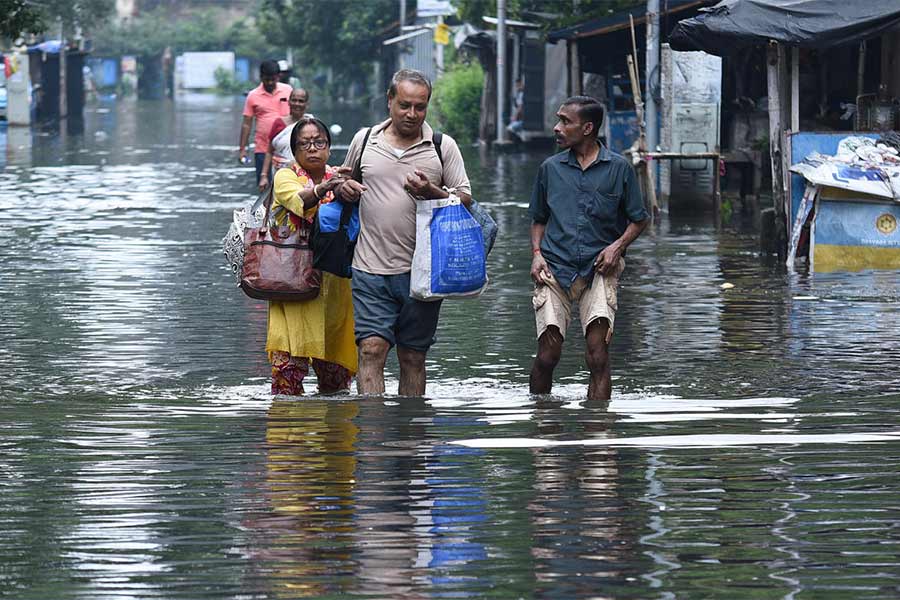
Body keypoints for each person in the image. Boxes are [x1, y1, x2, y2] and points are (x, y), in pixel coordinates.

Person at [337, 69, 472, 397]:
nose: (412, 114)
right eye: (405, 105)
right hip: (369, 267)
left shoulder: (442, 146)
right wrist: (345, 189)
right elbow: (342, 181)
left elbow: (465, 199)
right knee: (370, 351)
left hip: (424, 273)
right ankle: (373, 440)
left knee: (412, 357)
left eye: (420, 107)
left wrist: (433, 192)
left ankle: (409, 439)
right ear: (389, 102)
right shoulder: (365, 140)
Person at [528, 96, 649, 402]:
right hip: (554, 268)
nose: (557, 128)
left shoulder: (619, 169)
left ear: (587, 128)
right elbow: (539, 219)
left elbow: (639, 220)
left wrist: (617, 248)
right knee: (547, 355)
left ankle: (598, 436)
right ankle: (542, 426)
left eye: (565, 122)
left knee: (597, 355)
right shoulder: (549, 169)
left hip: (599, 270)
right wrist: (536, 255)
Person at [268, 116, 356, 395]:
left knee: (336, 381)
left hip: (334, 284)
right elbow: (298, 200)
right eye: (304, 143)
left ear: (329, 147)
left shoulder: (340, 179)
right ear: (294, 151)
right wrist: (324, 189)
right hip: (293, 280)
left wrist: (347, 188)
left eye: (319, 142)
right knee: (288, 377)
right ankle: (288, 435)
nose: (313, 148)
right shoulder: (285, 176)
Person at [239, 60, 292, 186]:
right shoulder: (253, 95)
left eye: (273, 79)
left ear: (278, 77)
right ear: (261, 77)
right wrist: (242, 149)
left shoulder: (288, 91)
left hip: (286, 147)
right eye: (266, 79)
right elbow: (247, 124)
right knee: (264, 185)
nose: (269, 83)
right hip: (262, 148)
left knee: (288, 184)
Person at [258, 87, 310, 192]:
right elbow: (269, 151)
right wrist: (263, 176)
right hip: (280, 174)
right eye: (294, 100)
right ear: (289, 102)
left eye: (301, 101)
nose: (297, 104)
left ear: (306, 104)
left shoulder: (311, 124)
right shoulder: (279, 123)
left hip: (306, 174)